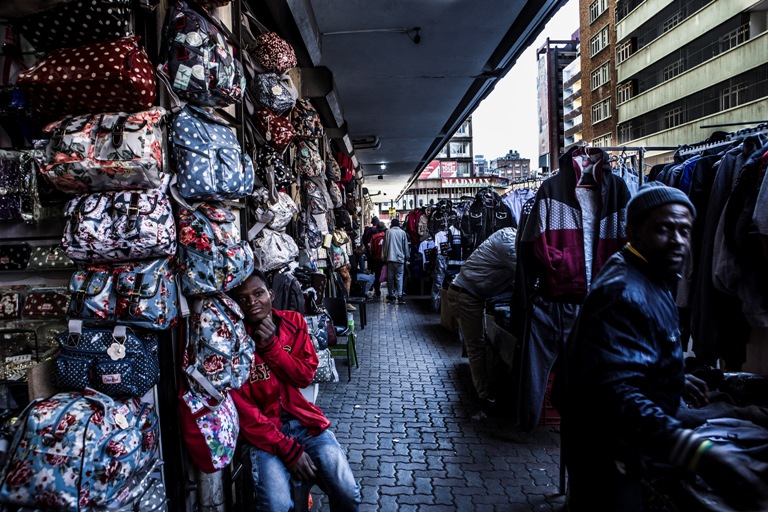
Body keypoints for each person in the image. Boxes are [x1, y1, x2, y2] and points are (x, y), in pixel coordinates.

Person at [557, 182, 768, 512]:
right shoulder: (622, 291)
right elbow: (617, 396)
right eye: (664, 229)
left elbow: (624, 354)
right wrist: (700, 455)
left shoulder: (649, 273)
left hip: (622, 449)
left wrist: (671, 374)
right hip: (610, 455)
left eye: (685, 230)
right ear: (633, 233)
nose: (678, 241)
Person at [228, 270, 361, 512]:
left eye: (258, 294)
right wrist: (286, 448)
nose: (252, 303)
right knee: (278, 505)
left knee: (347, 491)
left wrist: (271, 348)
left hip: (305, 424)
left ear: (271, 294)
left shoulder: (293, 322)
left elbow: (304, 376)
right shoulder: (232, 341)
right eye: (243, 299)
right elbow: (244, 410)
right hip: (263, 436)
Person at [444, 227, 517, 407]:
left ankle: (487, 387)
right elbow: (525, 270)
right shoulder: (509, 243)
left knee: (479, 343)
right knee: (476, 346)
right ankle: (485, 395)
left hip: (468, 294)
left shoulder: (507, 235)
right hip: (466, 295)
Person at [382, 217, 410, 304]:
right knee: (399, 278)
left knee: (390, 278)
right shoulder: (402, 233)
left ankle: (391, 295)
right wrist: (407, 257)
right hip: (400, 259)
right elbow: (405, 246)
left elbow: (385, 246)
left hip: (390, 258)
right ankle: (400, 296)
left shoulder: (388, 232)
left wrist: (384, 257)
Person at [368, 222, 387, 297]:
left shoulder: (374, 237)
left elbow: (372, 249)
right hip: (385, 259)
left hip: (376, 259)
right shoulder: (387, 236)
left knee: (377, 275)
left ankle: (377, 291)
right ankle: (391, 293)